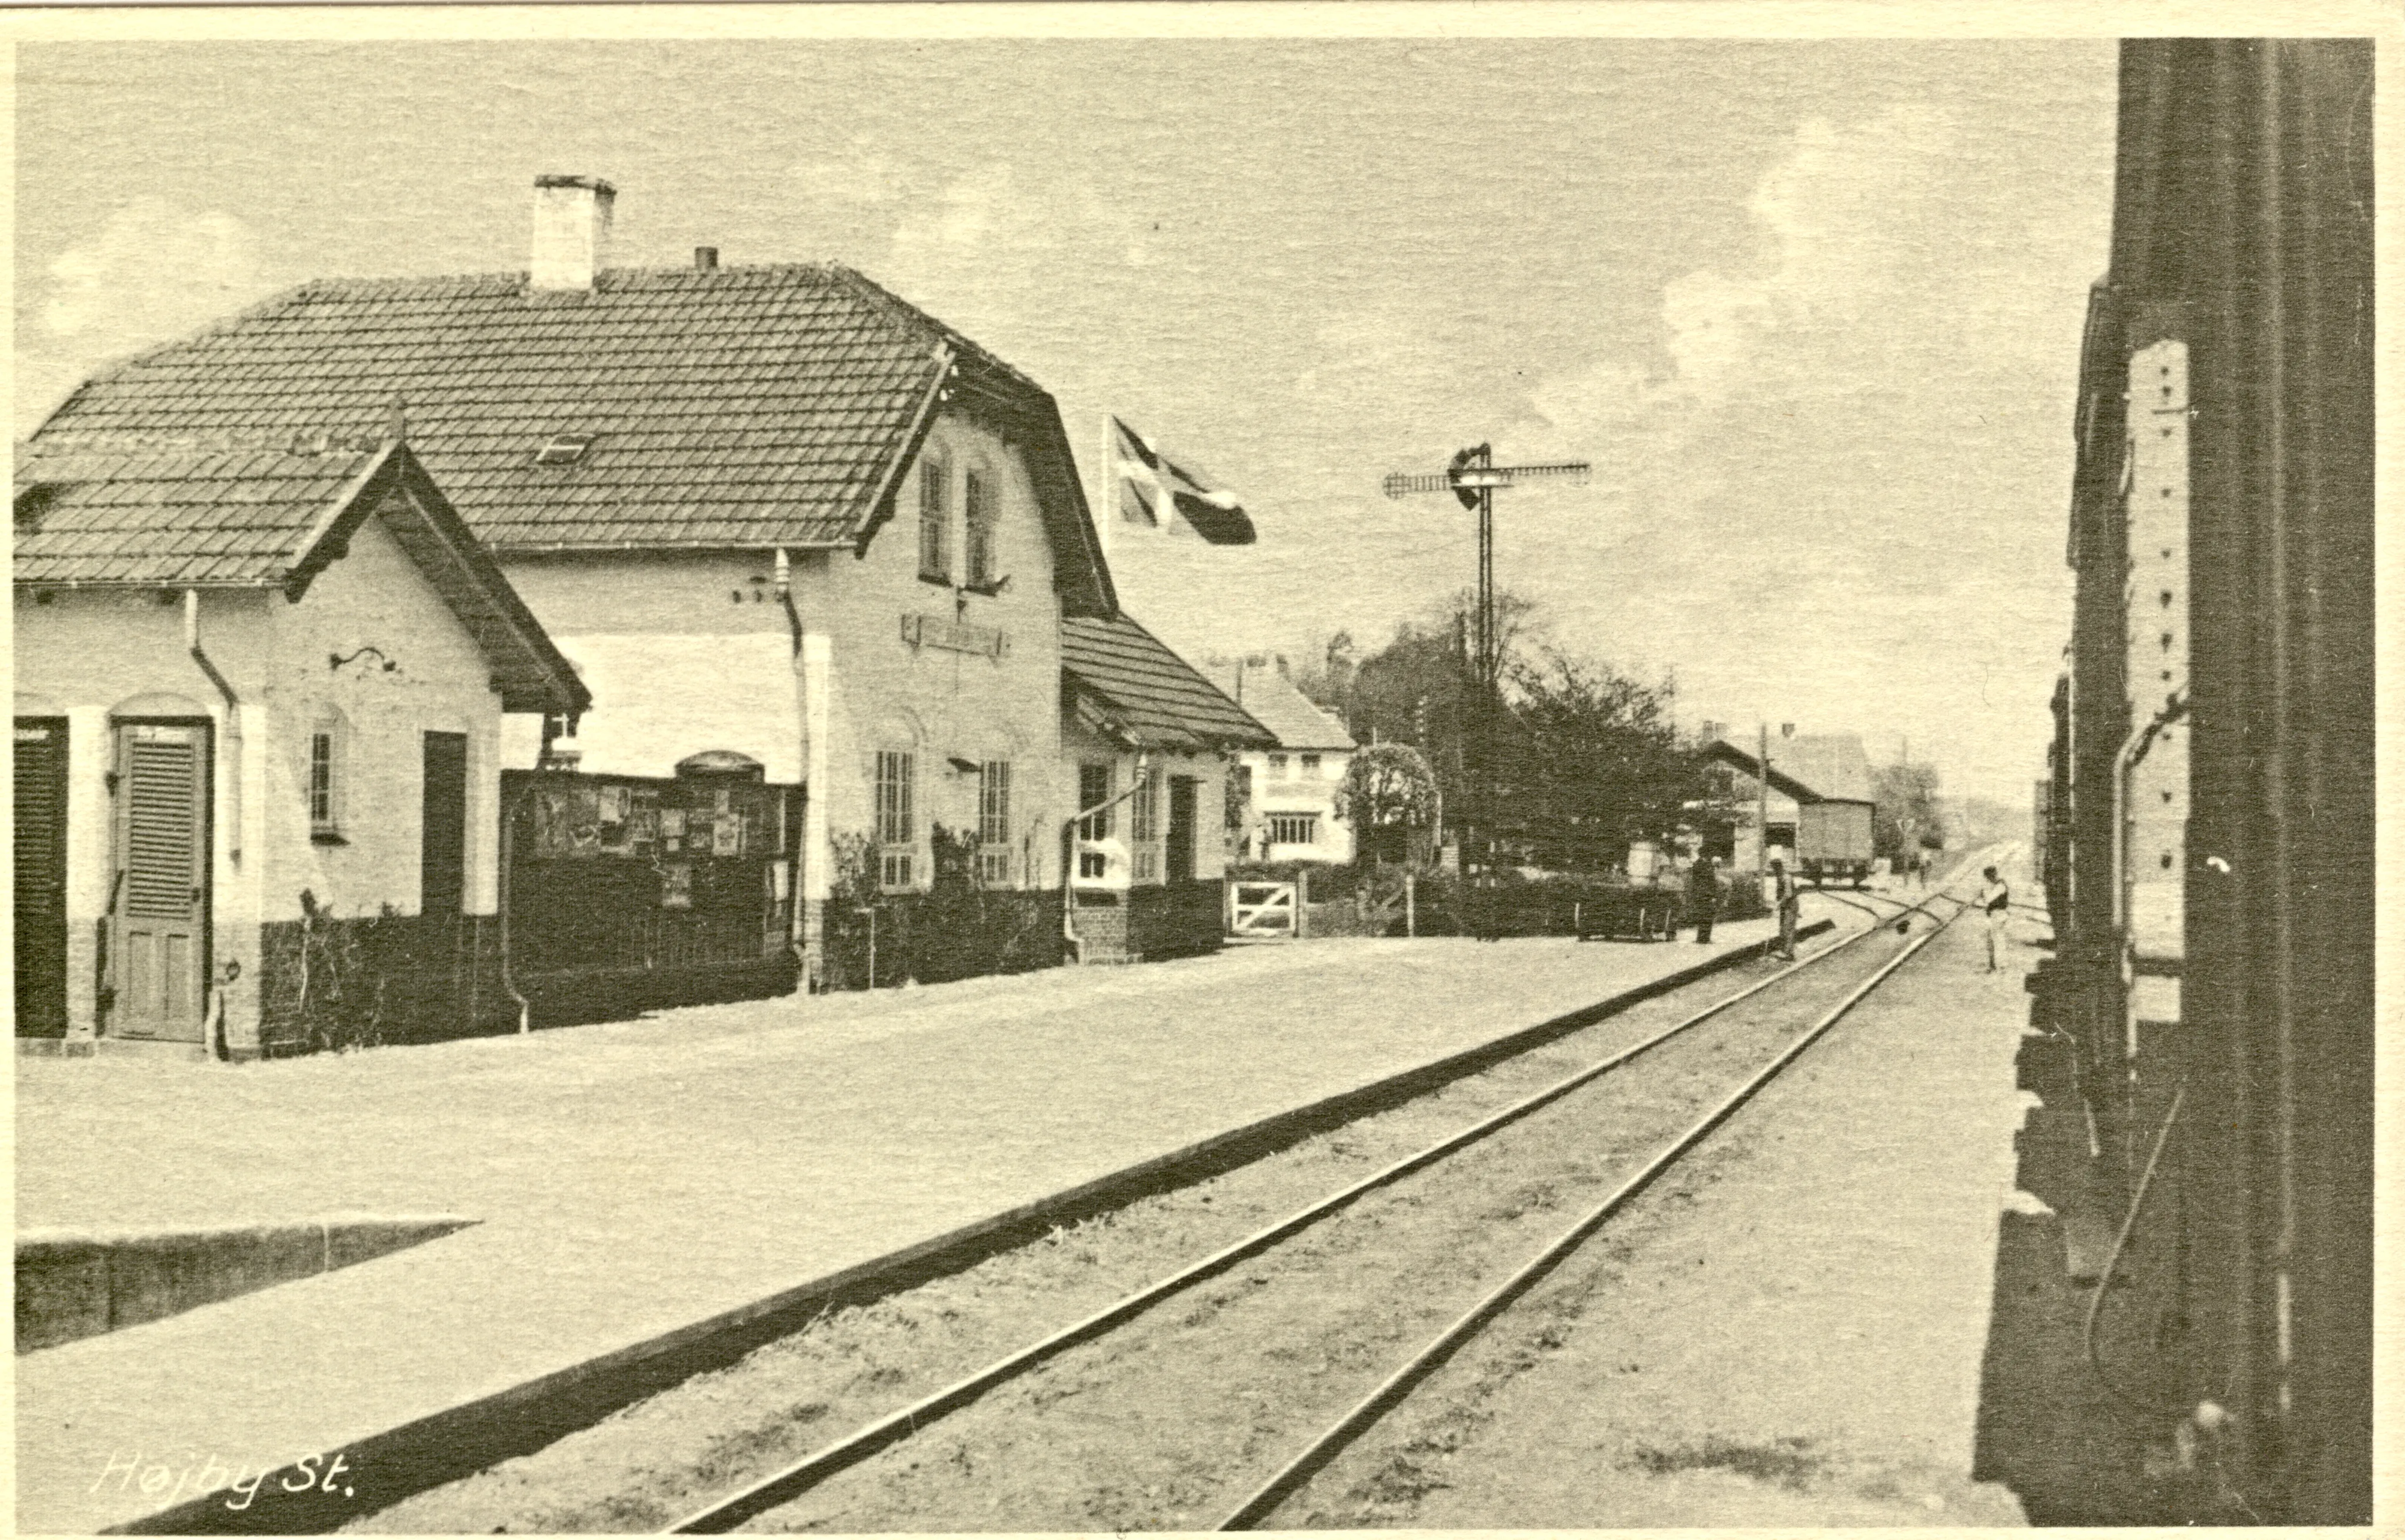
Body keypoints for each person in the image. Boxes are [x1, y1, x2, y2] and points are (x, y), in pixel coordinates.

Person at [1978, 864, 2011, 972]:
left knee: (1997, 939)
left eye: (1988, 877)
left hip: (1999, 914)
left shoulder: (2000, 885)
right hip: (1996, 914)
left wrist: (1984, 892)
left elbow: (1988, 899)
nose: (1988, 880)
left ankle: (2000, 966)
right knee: (1994, 939)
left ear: (1992, 875)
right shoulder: (1997, 885)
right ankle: (1996, 965)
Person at [1687, 853, 1720, 944]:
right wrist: (1712, 895)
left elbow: (1711, 882)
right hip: (1705, 895)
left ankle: (1703, 938)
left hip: (1703, 895)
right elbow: (1709, 882)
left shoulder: (1702, 865)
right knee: (1705, 916)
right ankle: (1703, 938)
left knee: (1705, 916)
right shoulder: (1703, 866)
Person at [1770, 858, 1798, 961]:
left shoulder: (1786, 877)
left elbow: (1788, 894)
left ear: (1779, 867)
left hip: (1791, 904)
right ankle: (1784, 950)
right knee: (1782, 928)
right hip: (1785, 905)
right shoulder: (1780, 876)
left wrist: (1779, 904)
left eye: (1774, 868)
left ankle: (1789, 954)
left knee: (1788, 929)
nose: (1773, 871)